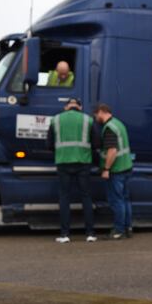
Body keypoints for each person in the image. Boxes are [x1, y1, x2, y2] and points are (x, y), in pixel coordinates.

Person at [47, 98, 96, 243]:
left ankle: (64, 234)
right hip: (83, 162)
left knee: (64, 198)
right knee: (86, 197)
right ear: (80, 107)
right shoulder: (88, 120)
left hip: (63, 162)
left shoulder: (55, 120)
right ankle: (90, 234)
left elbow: (49, 144)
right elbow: (97, 142)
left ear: (66, 107)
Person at [94, 103, 133, 240]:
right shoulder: (118, 123)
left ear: (101, 112)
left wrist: (106, 169)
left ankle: (118, 231)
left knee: (116, 201)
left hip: (116, 170)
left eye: (96, 115)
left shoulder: (109, 128)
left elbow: (112, 151)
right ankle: (128, 228)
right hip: (126, 167)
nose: (96, 118)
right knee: (125, 199)